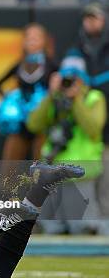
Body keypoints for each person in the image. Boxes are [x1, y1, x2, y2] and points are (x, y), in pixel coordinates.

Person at [27, 52, 107, 234]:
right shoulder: (54, 99)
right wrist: (50, 95)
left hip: (82, 170)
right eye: (66, 77)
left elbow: (93, 128)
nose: (69, 82)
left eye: (75, 77)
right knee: (52, 226)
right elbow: (33, 124)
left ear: (83, 79)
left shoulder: (94, 98)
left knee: (82, 226)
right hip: (54, 168)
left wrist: (76, 99)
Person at [0, 23, 55, 160]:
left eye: (37, 37)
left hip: (42, 122)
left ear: (44, 41)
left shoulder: (51, 65)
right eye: (29, 37)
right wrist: (11, 99)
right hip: (20, 123)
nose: (32, 41)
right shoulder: (19, 64)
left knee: (41, 168)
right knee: (10, 168)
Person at [71, 3, 109, 223]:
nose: (91, 22)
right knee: (87, 185)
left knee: (106, 184)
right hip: (85, 131)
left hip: (106, 130)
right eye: (87, 18)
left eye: (95, 18)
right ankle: (93, 228)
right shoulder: (76, 50)